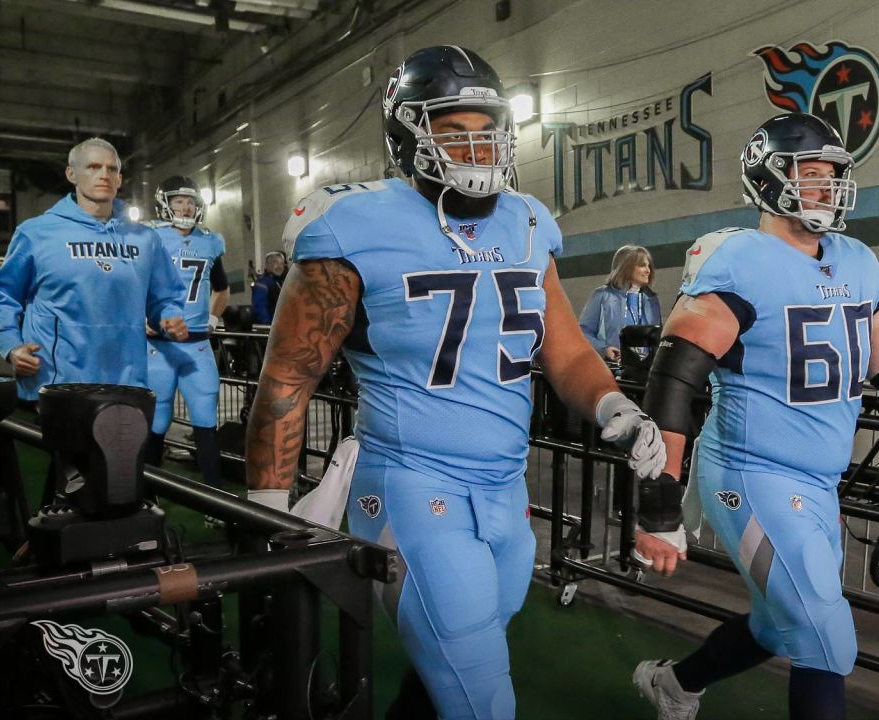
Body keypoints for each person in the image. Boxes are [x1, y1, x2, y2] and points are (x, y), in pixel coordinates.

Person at [243, 45, 667, 720]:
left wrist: (614, 403)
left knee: (443, 682)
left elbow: (565, 349)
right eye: (452, 129)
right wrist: (263, 511)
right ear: (407, 133)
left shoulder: (526, 221)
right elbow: (289, 377)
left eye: (487, 128)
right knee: (482, 702)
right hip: (411, 487)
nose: (475, 146)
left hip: (506, 492)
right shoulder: (354, 220)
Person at [629, 113, 879, 720]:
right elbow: (674, 378)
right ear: (767, 179)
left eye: (832, 176)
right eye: (810, 175)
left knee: (778, 623)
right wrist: (659, 500)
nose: (827, 189)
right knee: (822, 631)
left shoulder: (857, 260)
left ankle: (676, 684)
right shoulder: (741, 259)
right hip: (750, 472)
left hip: (817, 481)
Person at [0, 137, 188, 403]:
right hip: (55, 384)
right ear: (71, 174)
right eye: (93, 167)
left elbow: (164, 298)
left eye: (112, 169)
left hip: (126, 384)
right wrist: (10, 345)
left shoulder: (145, 239)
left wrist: (169, 317)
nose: (104, 175)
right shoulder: (36, 233)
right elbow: (2, 295)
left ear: (120, 179)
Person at [143, 175, 229, 491]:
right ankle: (146, 497)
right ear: (164, 205)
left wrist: (212, 315)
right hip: (158, 346)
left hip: (197, 345)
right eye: (178, 201)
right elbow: (129, 282)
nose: (185, 207)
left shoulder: (210, 241)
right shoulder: (150, 237)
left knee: (206, 421)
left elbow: (222, 289)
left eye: (190, 202)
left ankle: (216, 502)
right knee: (156, 422)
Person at [578, 244, 662, 362]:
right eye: (642, 265)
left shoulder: (652, 300)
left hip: (645, 370)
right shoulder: (602, 295)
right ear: (626, 267)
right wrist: (604, 349)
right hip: (611, 369)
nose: (648, 270)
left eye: (649, 266)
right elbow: (583, 332)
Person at [250, 250, 286, 324]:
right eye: (275, 262)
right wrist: (267, 328)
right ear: (267, 265)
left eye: (282, 263)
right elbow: (260, 309)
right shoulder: (262, 284)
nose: (279, 266)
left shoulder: (282, 283)